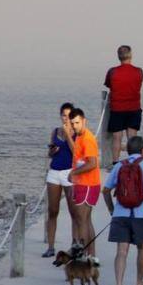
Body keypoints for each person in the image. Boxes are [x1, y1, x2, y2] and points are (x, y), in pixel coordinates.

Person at [102, 135, 143, 285]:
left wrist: (112, 210)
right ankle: (139, 283)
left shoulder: (119, 166)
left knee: (121, 251)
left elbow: (106, 191)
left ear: (127, 150)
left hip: (121, 214)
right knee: (142, 248)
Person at [66, 107, 101, 261]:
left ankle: (84, 256)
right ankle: (92, 256)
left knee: (82, 220)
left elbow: (92, 163)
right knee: (86, 220)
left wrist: (73, 173)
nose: (75, 126)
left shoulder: (87, 138)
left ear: (84, 121)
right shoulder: (78, 137)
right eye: (73, 123)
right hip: (83, 183)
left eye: (77, 123)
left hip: (88, 184)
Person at [43, 102, 77, 258]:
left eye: (69, 116)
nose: (66, 118)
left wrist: (68, 134)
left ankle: (74, 245)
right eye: (64, 115)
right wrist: (52, 151)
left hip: (69, 172)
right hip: (54, 171)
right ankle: (50, 246)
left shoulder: (77, 133)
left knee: (73, 211)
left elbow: (76, 151)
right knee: (53, 210)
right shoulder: (55, 131)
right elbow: (49, 154)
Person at [104, 45, 143, 165]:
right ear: (130, 55)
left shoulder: (112, 71)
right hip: (133, 107)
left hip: (117, 108)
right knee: (132, 137)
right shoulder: (139, 71)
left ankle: (115, 163)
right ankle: (134, 162)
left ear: (118, 56)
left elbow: (109, 85)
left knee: (117, 137)